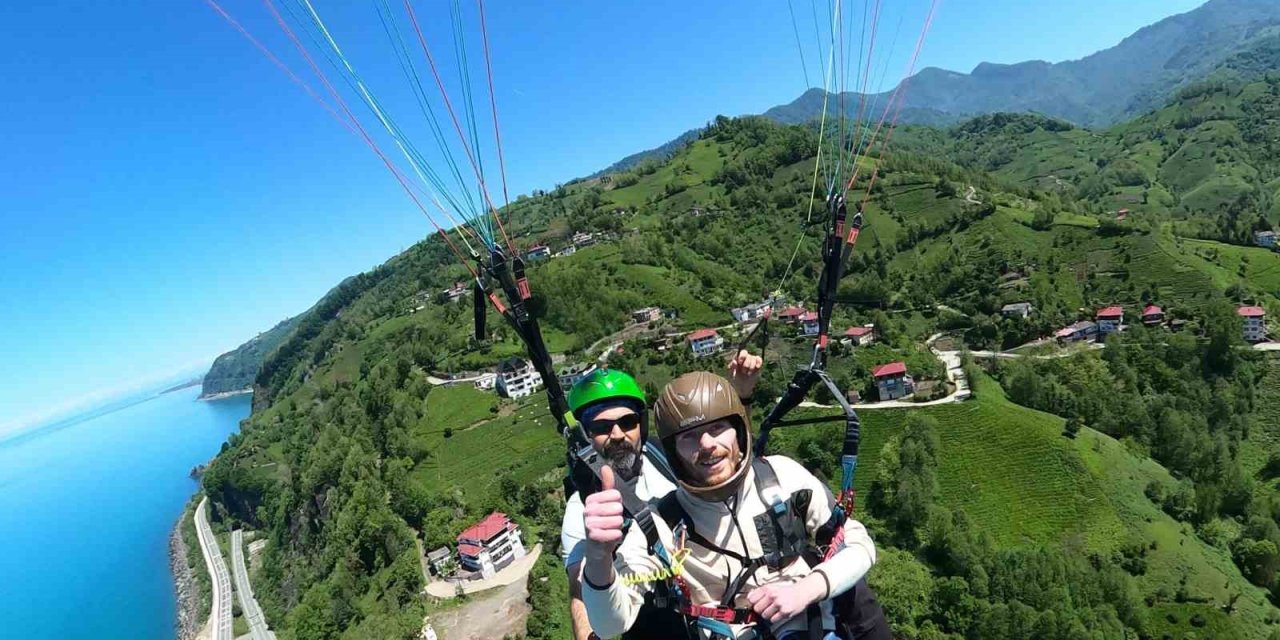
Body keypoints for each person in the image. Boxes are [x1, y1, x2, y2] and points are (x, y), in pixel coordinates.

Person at [579, 370, 881, 640]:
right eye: (690, 436)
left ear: (739, 431)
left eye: (718, 427)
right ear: (673, 451)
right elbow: (610, 625)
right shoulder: (661, 525)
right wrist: (598, 557)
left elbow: (858, 543)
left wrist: (806, 590)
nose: (707, 443)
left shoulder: (780, 476)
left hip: (819, 621)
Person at [561, 355, 762, 640]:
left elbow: (726, 466)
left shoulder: (666, 460)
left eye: (627, 422)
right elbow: (580, 591)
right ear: (585, 438)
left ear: (640, 425)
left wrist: (741, 395)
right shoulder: (584, 509)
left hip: (718, 595)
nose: (618, 434)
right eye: (602, 427)